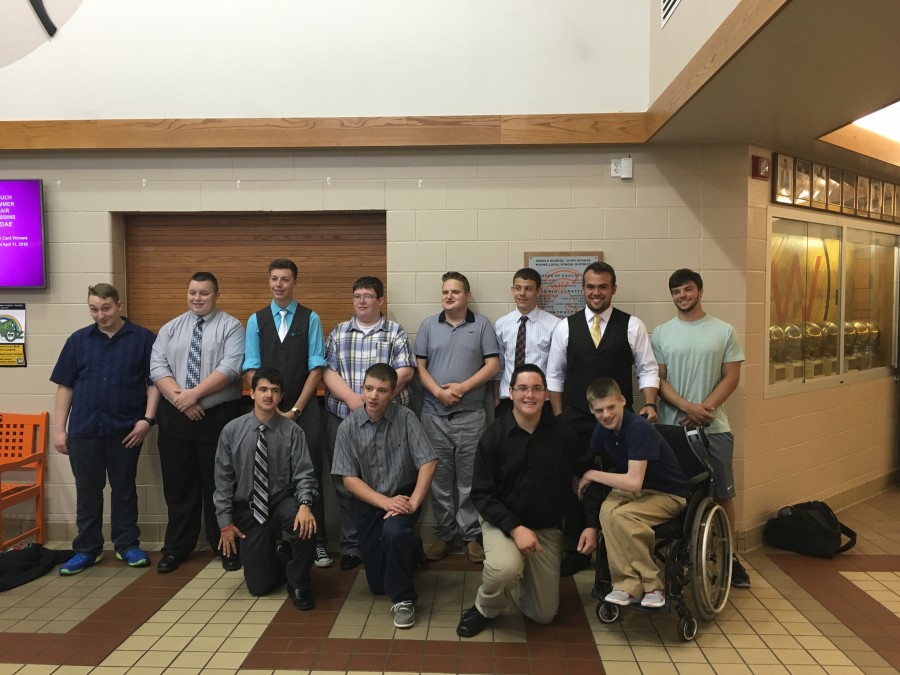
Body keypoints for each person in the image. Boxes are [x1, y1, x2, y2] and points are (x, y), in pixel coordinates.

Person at [457, 364, 599, 638]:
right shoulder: (493, 437)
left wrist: (591, 524)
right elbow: (482, 494)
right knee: (503, 570)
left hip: (545, 528)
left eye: (537, 389)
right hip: (503, 523)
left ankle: (521, 578)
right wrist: (515, 528)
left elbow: (588, 478)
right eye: (522, 388)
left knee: (543, 616)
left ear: (546, 394)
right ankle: (484, 607)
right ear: (510, 392)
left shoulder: (564, 435)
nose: (529, 395)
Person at [546, 261, 659, 576]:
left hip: (618, 421)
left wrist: (649, 403)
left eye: (603, 287)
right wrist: (559, 418)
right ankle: (577, 548)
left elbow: (648, 368)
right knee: (574, 483)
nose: (596, 293)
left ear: (613, 289)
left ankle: (613, 549)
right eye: (591, 287)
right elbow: (554, 375)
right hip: (576, 420)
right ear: (583, 289)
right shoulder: (565, 326)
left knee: (617, 483)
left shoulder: (632, 325)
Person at [50, 283, 160, 575]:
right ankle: (87, 549)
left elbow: (153, 384)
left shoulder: (144, 339)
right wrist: (59, 430)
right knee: (88, 492)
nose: (100, 315)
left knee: (124, 489)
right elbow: (65, 386)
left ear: (119, 305)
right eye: (94, 309)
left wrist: (147, 420)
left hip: (126, 429)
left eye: (106, 308)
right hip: (84, 430)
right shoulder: (78, 340)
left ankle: (127, 545)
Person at [650, 268, 749, 587]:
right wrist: (686, 407)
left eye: (688, 289)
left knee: (722, 492)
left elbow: (731, 377)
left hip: (715, 425)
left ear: (700, 291)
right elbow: (658, 379)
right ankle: (676, 555)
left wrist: (704, 409)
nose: (682, 296)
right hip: (673, 428)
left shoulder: (724, 330)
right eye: (676, 291)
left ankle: (729, 557)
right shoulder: (662, 333)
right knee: (673, 492)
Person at [150, 272, 245, 574]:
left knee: (219, 485)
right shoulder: (170, 328)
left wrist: (194, 396)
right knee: (178, 487)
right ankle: (177, 548)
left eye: (204, 293)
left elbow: (231, 367)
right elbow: (157, 366)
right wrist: (181, 399)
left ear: (217, 295)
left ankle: (225, 545)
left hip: (216, 418)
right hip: (176, 419)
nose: (197, 298)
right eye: (192, 292)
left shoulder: (231, 327)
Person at [332, 364, 437, 629]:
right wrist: (384, 502)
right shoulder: (348, 427)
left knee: (393, 533)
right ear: (362, 389)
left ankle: (404, 600)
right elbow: (349, 479)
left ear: (392, 393)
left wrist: (412, 502)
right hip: (369, 503)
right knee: (377, 585)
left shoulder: (406, 417)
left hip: (402, 498)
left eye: (381, 390)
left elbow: (428, 461)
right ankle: (412, 549)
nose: (373, 396)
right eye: (368, 389)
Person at [323, 276, 416, 572]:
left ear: (380, 300)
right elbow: (327, 371)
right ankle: (353, 545)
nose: (361, 301)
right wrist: (354, 400)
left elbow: (405, 371)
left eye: (367, 296)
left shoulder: (394, 332)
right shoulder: (339, 332)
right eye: (357, 296)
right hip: (344, 418)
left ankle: (389, 540)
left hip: (387, 422)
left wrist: (376, 399)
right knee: (346, 484)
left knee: (388, 479)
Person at [243, 258, 331, 569]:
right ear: (268, 281)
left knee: (310, 473)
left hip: (304, 411)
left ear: (294, 282)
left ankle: (317, 542)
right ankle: (277, 540)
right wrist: (271, 405)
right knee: (271, 473)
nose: (279, 284)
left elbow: (316, 366)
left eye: (285, 279)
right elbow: (251, 366)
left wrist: (294, 409)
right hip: (267, 412)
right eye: (274, 279)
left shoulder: (310, 318)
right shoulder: (256, 320)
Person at [577, 378, 690, 608]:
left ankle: (653, 584)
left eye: (611, 407)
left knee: (622, 516)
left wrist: (590, 475)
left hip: (668, 493)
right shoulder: (602, 430)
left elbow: (633, 481)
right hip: (638, 493)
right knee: (607, 511)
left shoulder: (638, 428)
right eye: (599, 410)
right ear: (591, 410)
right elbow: (596, 464)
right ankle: (626, 583)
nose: (606, 414)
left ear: (622, 400)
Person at [213, 367, 319, 611]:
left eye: (274, 391)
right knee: (258, 587)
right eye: (263, 390)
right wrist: (225, 523)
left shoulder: (293, 431)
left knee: (306, 524)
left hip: (282, 501)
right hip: (250, 509)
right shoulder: (231, 431)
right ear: (251, 393)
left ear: (281, 396)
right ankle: (281, 556)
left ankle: (299, 583)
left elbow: (305, 474)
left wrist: (305, 506)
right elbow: (223, 481)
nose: (268, 395)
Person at [415, 271, 500, 563]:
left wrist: (462, 387)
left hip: (471, 415)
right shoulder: (428, 325)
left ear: (467, 296)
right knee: (439, 478)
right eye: (445, 292)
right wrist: (438, 393)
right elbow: (419, 368)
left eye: (455, 292)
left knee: (468, 479)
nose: (448, 296)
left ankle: (470, 536)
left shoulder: (482, 325)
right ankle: (444, 534)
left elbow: (493, 365)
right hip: (433, 415)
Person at [492, 268, 559, 417]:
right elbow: (499, 367)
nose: (522, 293)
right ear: (512, 290)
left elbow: (557, 370)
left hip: (540, 400)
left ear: (538, 291)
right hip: (507, 399)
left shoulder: (554, 325)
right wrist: (496, 398)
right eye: (518, 288)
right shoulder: (501, 324)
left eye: (528, 289)